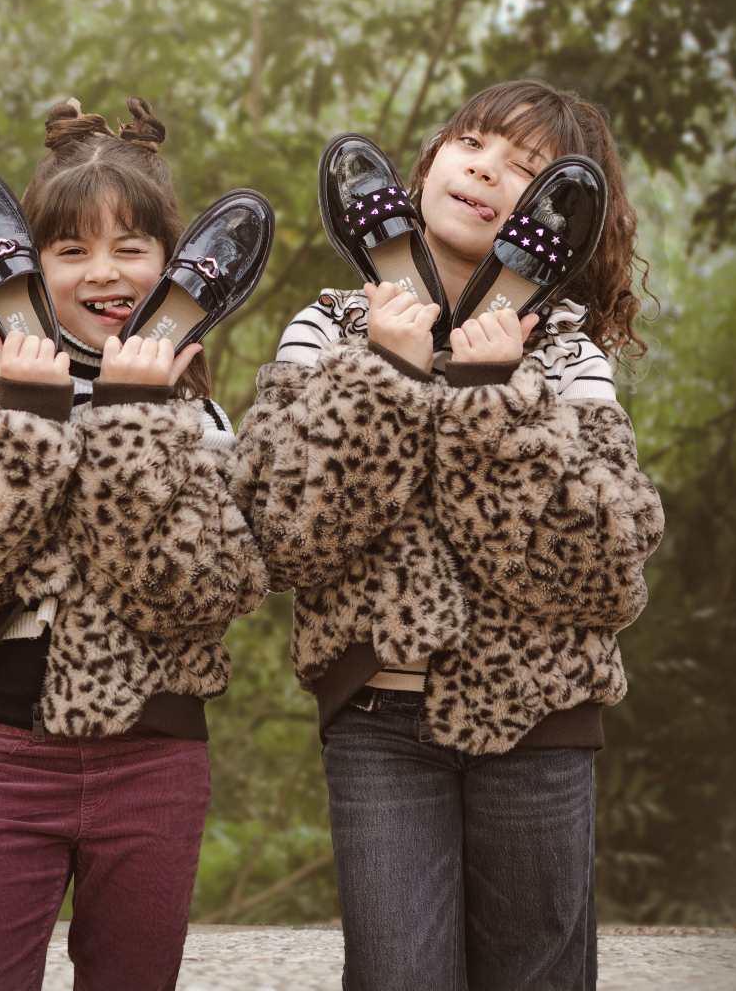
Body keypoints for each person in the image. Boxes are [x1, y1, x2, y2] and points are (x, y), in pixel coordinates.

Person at [232, 79, 665, 990]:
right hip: (378, 720)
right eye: (471, 143)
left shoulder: (568, 355)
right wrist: (386, 376)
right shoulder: (327, 329)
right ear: (426, 166)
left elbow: (606, 572)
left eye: (527, 168)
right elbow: (283, 538)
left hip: (541, 715)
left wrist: (492, 401)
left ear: (560, 220)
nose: (487, 169)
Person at [0, 96, 268, 991]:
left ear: (173, 268)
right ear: (29, 269)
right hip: (6, 757)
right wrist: (25, 419)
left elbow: (206, 594)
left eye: (132, 247)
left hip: (156, 762)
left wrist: (130, 421)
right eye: (72, 250)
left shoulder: (197, 418)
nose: (105, 271)